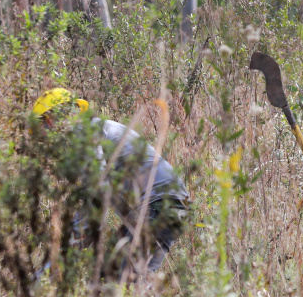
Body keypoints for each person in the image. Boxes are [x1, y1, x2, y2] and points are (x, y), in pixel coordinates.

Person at [32, 88, 189, 279]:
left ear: (51, 121)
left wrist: (52, 266)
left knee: (125, 278)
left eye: (41, 129)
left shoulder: (82, 133)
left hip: (159, 206)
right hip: (159, 206)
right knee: (110, 278)